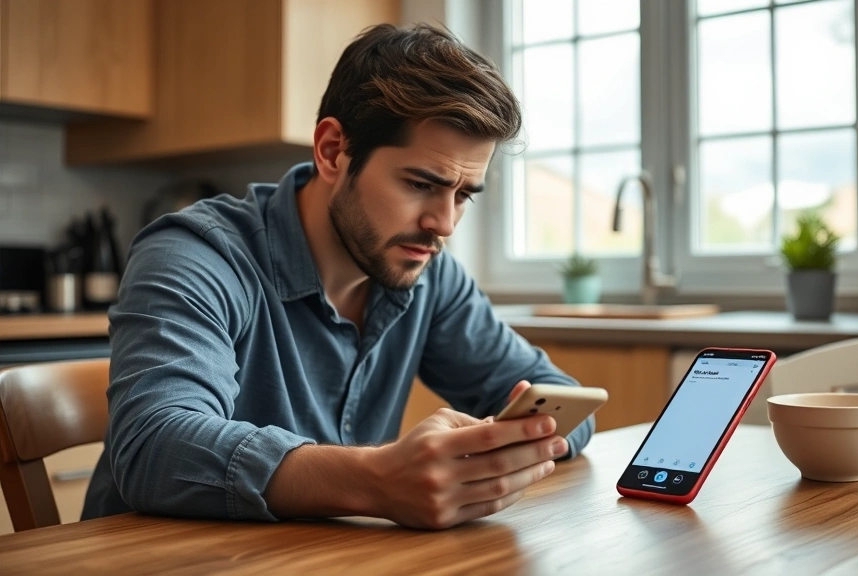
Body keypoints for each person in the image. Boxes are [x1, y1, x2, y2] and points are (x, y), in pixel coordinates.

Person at [81, 23, 594, 530]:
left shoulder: (429, 276)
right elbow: (153, 445)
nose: (444, 224)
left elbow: (562, 399)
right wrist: (376, 480)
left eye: (463, 195)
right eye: (420, 183)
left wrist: (488, 451)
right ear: (331, 151)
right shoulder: (196, 255)